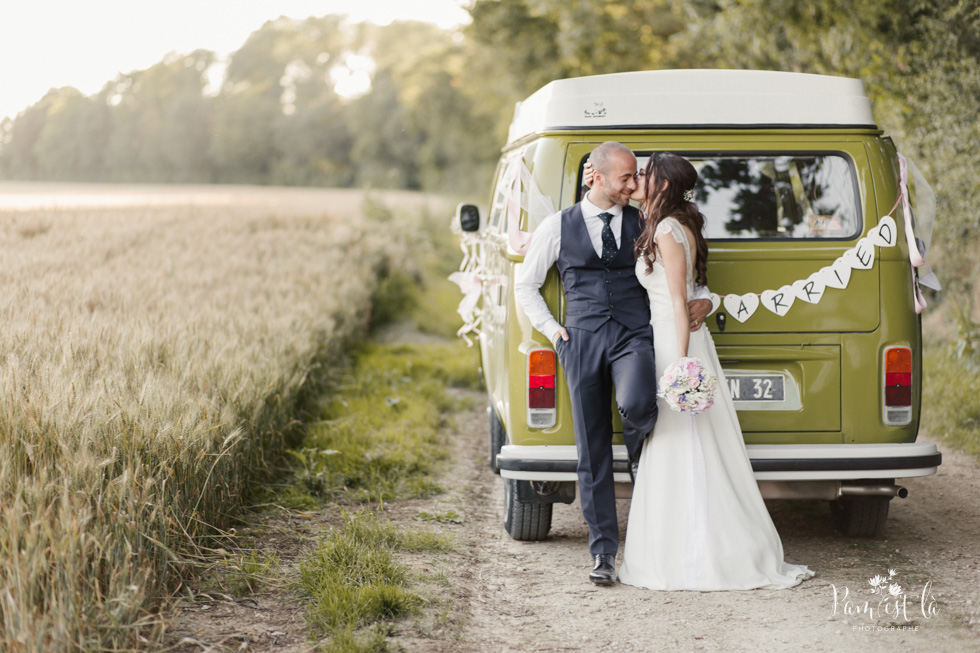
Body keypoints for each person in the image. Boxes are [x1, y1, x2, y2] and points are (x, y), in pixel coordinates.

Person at [514, 142, 713, 585]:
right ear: (596, 177)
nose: (632, 185)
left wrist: (706, 302)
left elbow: (687, 277)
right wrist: (553, 331)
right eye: (625, 177)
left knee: (642, 404)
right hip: (581, 340)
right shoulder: (558, 226)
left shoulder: (649, 222)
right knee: (592, 448)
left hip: (632, 336)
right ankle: (603, 552)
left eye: (635, 177)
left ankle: (640, 455)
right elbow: (525, 284)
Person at [618, 152, 814, 590]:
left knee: (679, 440)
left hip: (676, 342)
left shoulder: (667, 229)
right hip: (679, 339)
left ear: (664, 185)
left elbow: (676, 300)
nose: (638, 180)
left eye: (645, 174)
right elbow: (694, 290)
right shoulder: (676, 222)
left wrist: (682, 366)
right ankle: (695, 545)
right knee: (691, 441)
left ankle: (689, 554)